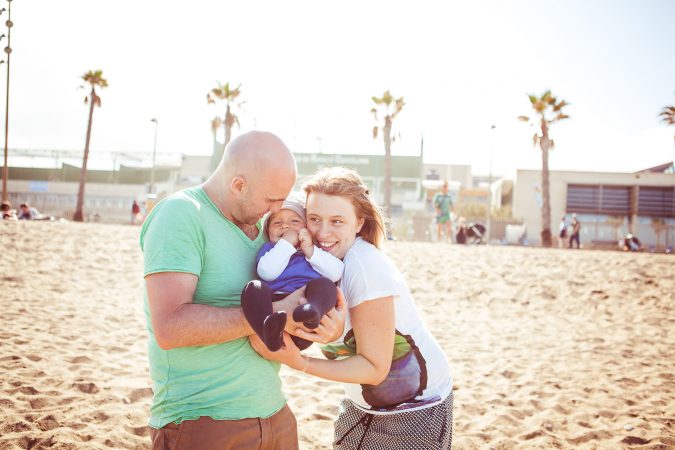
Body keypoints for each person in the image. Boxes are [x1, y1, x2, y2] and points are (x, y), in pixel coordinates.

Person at [140, 131, 346, 450]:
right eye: (271, 199)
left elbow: (296, 291)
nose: (279, 209)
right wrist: (275, 313)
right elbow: (168, 326)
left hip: (275, 413)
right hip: (204, 422)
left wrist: (326, 329)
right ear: (238, 185)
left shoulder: (265, 229)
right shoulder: (181, 215)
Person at [251, 167, 454, 449]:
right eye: (314, 219)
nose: (323, 232)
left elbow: (374, 367)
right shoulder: (308, 262)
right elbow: (346, 335)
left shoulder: (364, 265)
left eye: (337, 221)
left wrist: (302, 364)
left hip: (415, 410)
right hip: (360, 406)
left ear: (359, 222)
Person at [242, 195, 343, 352]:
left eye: (294, 221)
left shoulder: (315, 250)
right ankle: (267, 328)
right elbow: (267, 273)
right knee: (253, 288)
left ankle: (313, 312)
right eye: (277, 223)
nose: (285, 226)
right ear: (268, 232)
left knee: (326, 285)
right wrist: (287, 244)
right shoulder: (270, 250)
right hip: (275, 308)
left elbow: (336, 273)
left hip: (306, 312)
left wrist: (309, 250)